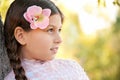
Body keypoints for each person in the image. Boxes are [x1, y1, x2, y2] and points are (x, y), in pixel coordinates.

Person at [4, 0, 89, 80]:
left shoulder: (71, 69)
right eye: (50, 30)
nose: (59, 40)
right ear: (21, 36)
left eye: (59, 30)